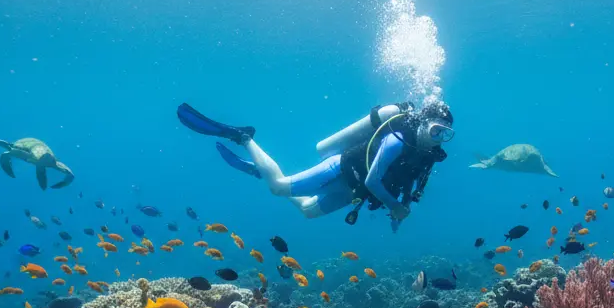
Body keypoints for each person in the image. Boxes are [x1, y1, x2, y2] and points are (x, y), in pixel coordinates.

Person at [177, 100, 454, 229]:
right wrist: (394, 206)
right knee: (279, 188)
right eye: (436, 130)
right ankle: (243, 136)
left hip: (354, 191)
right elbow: (373, 180)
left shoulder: (427, 155)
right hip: (343, 168)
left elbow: (409, 187)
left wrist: (400, 210)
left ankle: (259, 170)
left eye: (446, 134)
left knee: (308, 211)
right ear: (422, 124)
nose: (439, 139)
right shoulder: (397, 139)